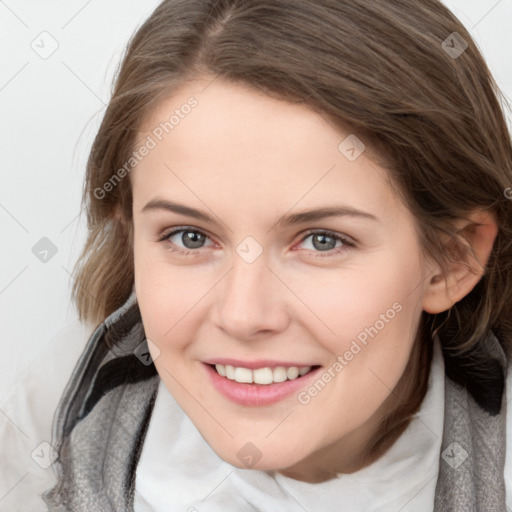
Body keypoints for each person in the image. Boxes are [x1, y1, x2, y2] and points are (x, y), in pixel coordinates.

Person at [17, 0, 512, 510]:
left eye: (322, 240)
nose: (243, 315)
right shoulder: (52, 412)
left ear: (453, 258)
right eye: (189, 236)